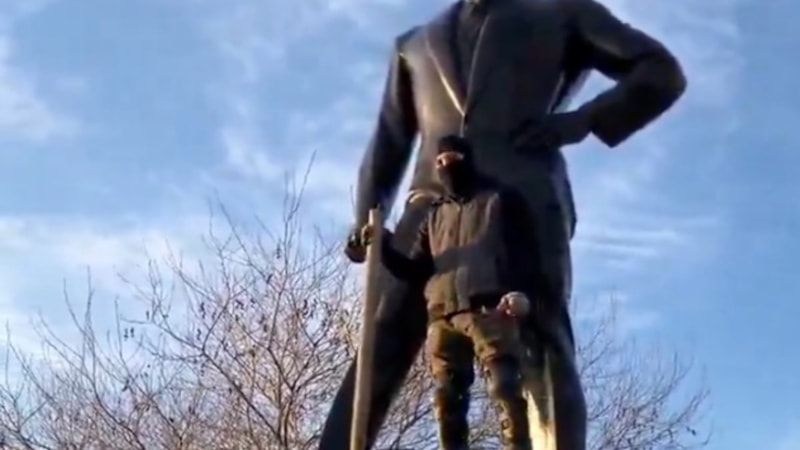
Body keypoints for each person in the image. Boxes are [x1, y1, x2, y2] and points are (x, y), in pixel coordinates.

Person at [319, 0, 686, 448]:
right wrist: (365, 218)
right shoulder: (413, 44)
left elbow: (660, 71)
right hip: (428, 212)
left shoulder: (563, 13)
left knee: (540, 344)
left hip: (520, 199)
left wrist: (583, 121)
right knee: (378, 350)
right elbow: (389, 141)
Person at [361, 135, 539, 449]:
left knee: (503, 386)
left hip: (489, 307)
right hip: (443, 314)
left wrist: (522, 293)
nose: (446, 166)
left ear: (466, 159)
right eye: (440, 162)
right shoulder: (435, 215)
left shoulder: (499, 199)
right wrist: (383, 245)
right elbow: (415, 270)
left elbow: (527, 254)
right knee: (447, 398)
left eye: (452, 158)